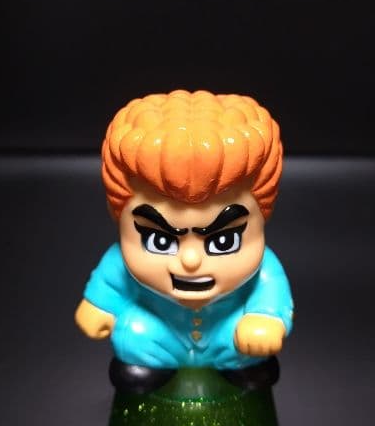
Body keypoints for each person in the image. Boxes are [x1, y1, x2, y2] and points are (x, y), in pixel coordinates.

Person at [74, 89, 294, 394]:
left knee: (242, 344)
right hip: (159, 331)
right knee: (135, 334)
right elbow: (110, 283)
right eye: (159, 240)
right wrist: (98, 306)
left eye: (224, 241)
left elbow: (272, 293)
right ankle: (147, 368)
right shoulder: (120, 262)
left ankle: (244, 367)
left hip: (227, 333)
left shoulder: (264, 271)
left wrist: (265, 319)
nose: (191, 261)